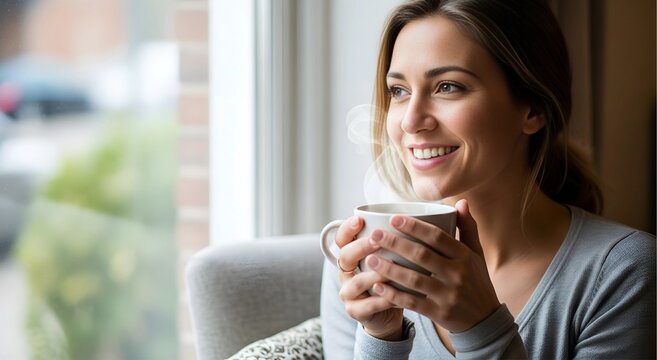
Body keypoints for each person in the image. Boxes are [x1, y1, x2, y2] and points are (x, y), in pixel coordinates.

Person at [320, 0, 656, 359]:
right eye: (399, 91)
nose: (410, 121)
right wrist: (381, 337)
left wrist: (480, 328)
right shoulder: (358, 260)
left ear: (533, 109)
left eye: (448, 87)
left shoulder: (625, 272)